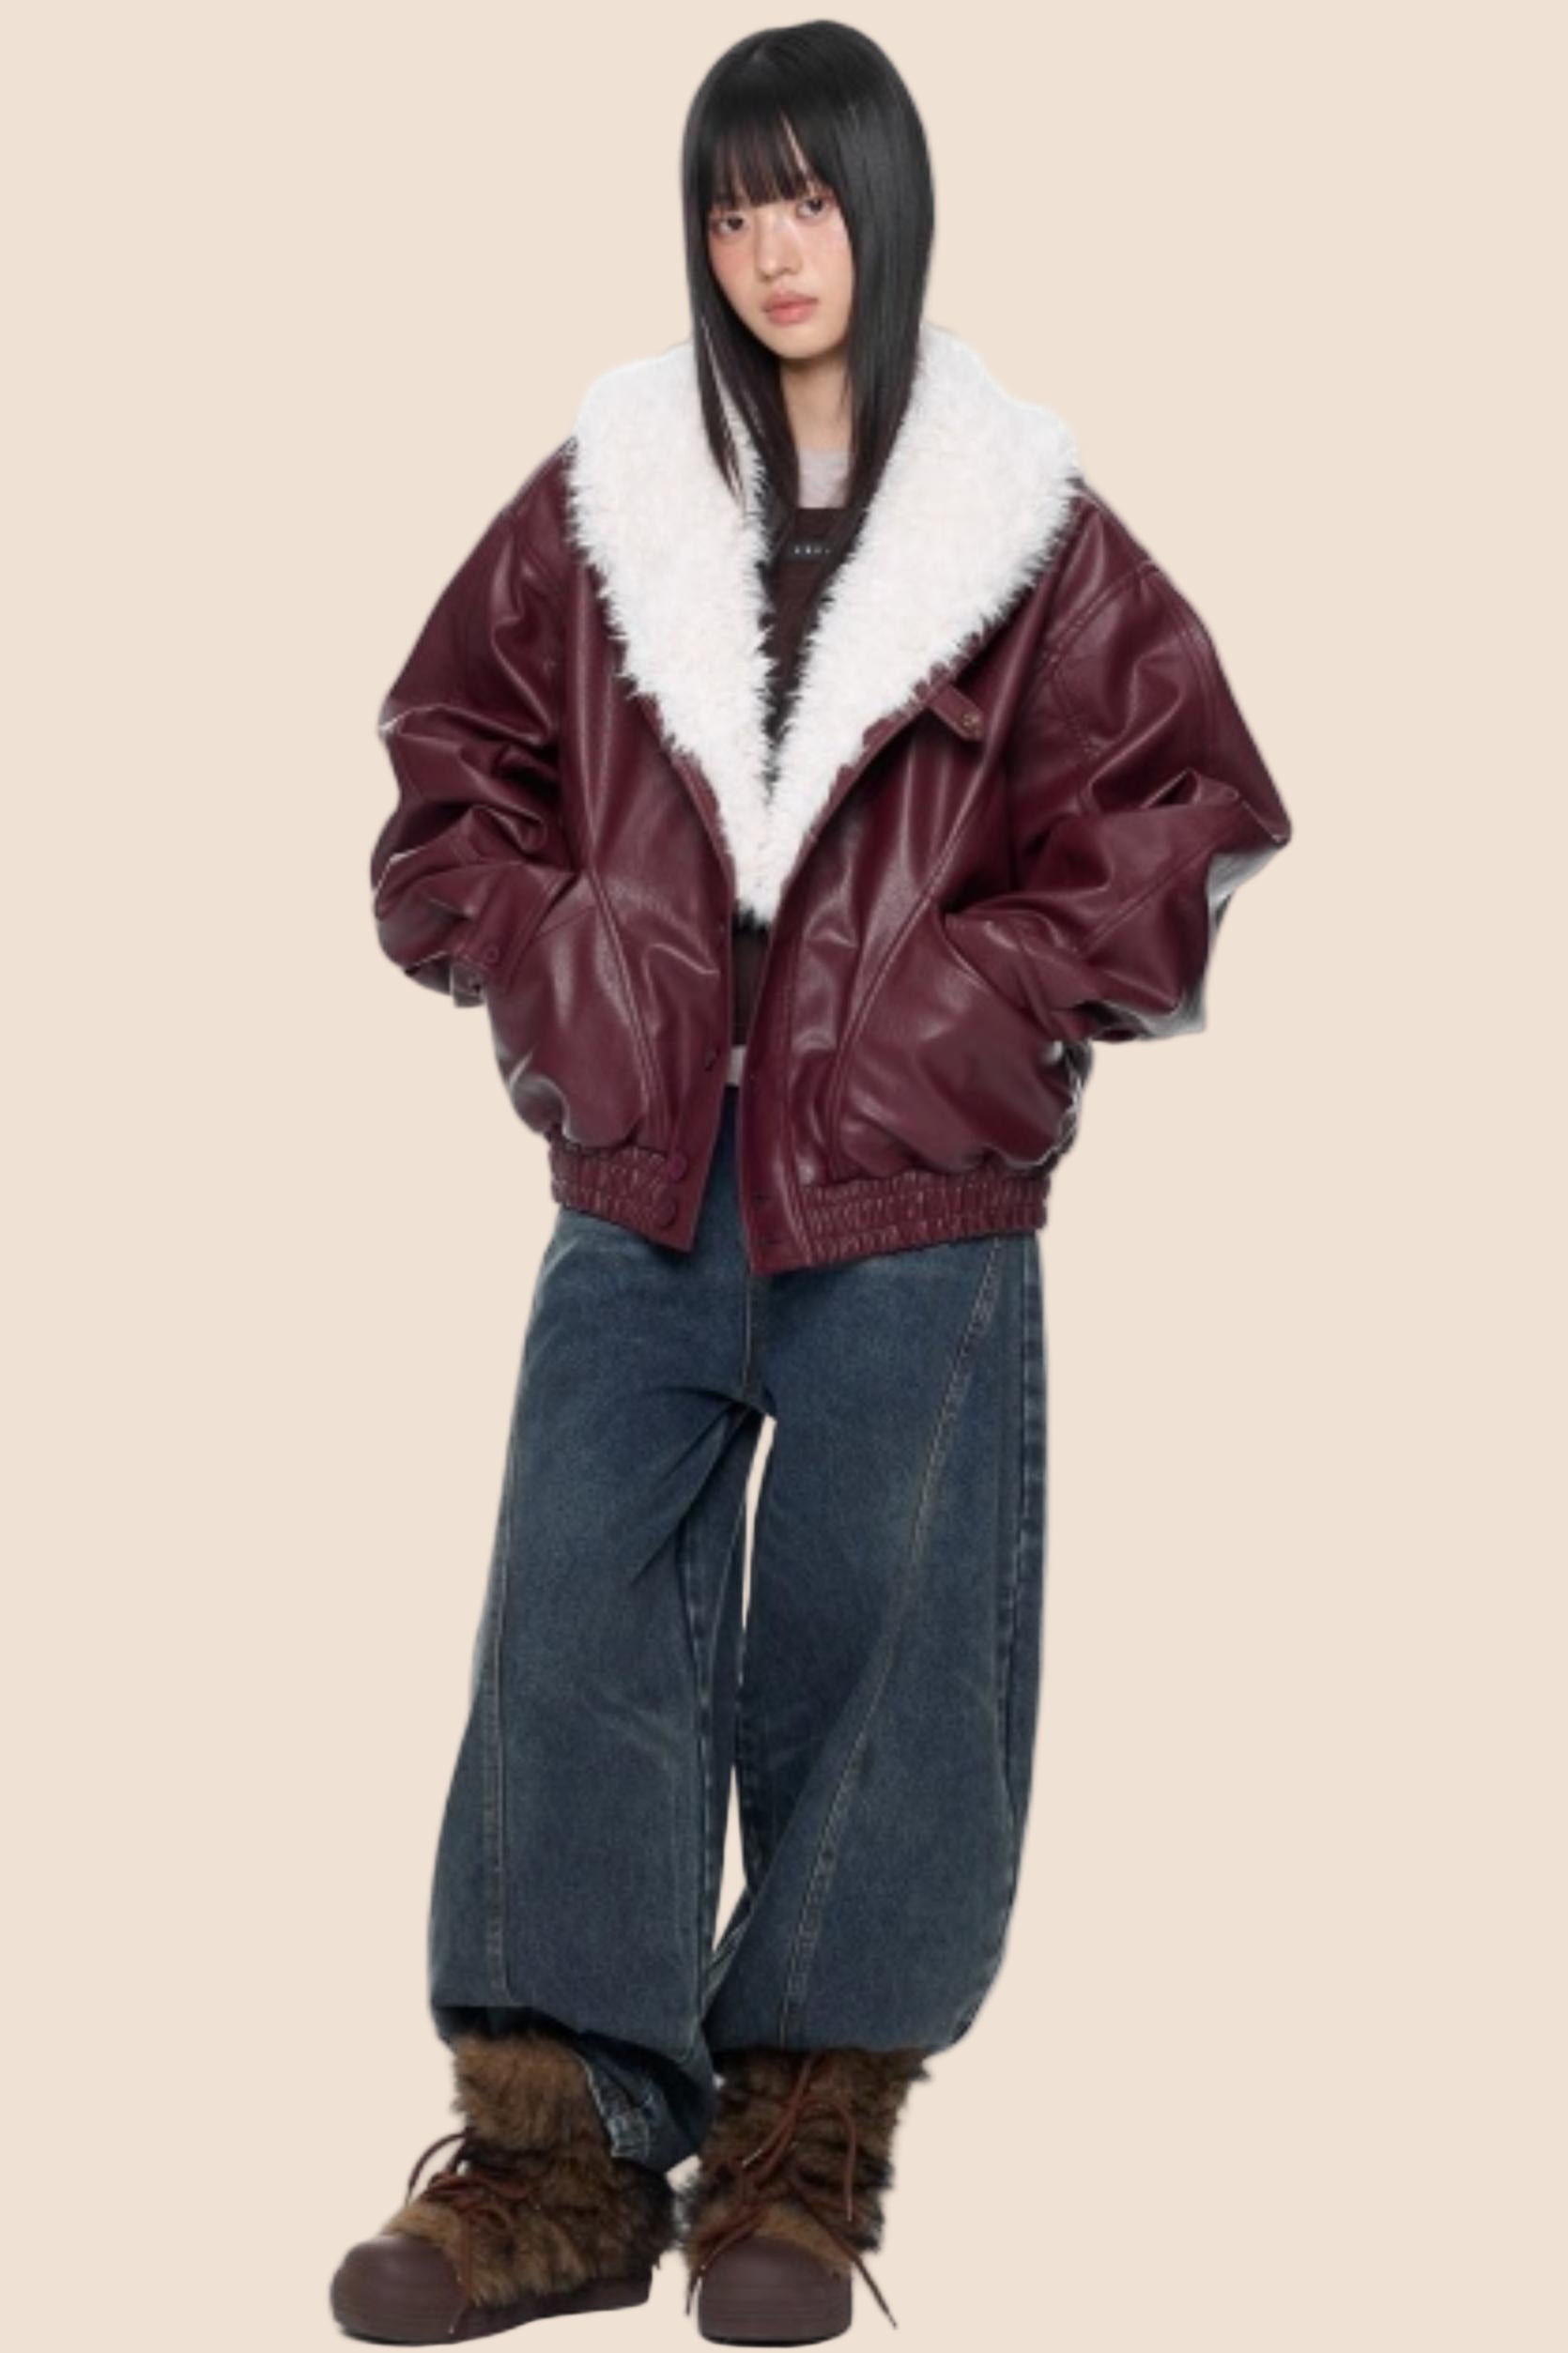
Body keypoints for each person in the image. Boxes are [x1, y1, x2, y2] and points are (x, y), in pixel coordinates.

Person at [331, 21, 1293, 2347]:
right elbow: (445, 777)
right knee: (572, 1627)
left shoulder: (1023, 525)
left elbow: (1188, 808)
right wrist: (566, 960)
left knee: (885, 1655)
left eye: (810, 196)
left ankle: (798, 2146)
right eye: (730, 204)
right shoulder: (604, 495)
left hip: (917, 1198)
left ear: (887, 203)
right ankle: (559, 2161)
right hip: (642, 1182)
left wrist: (967, 1002)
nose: (771, 248)